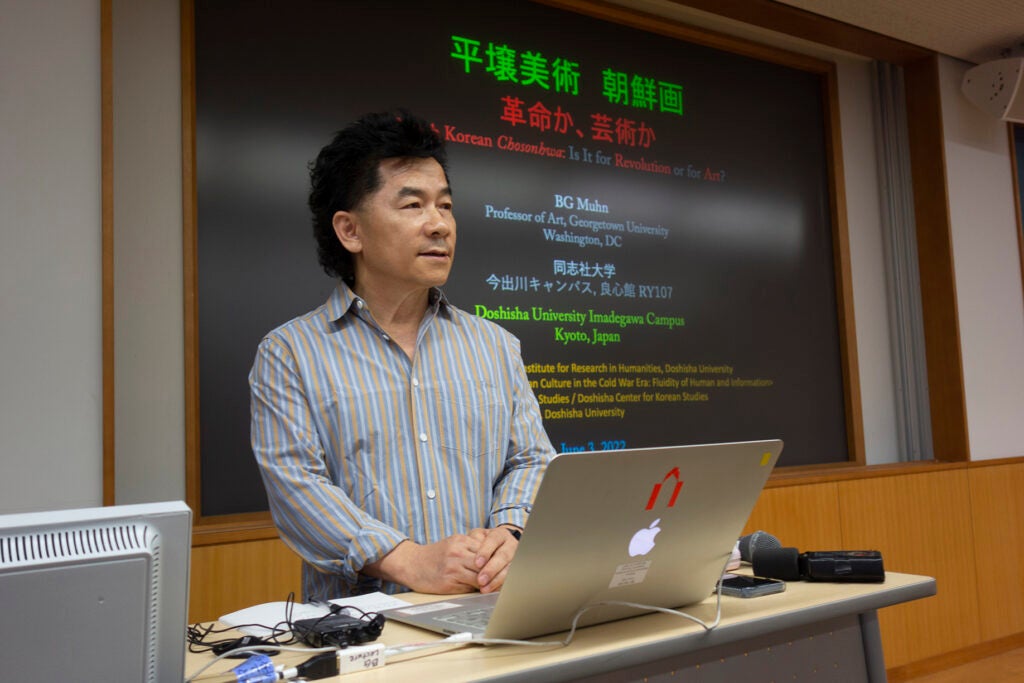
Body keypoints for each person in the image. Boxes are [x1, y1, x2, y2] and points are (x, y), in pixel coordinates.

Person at [249, 110, 556, 602]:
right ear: (350, 231)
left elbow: (530, 458)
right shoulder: (290, 353)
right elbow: (297, 488)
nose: (439, 225)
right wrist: (409, 559)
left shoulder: (495, 346)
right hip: (366, 632)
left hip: (491, 610)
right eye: (413, 205)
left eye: (446, 205)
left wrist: (510, 533)